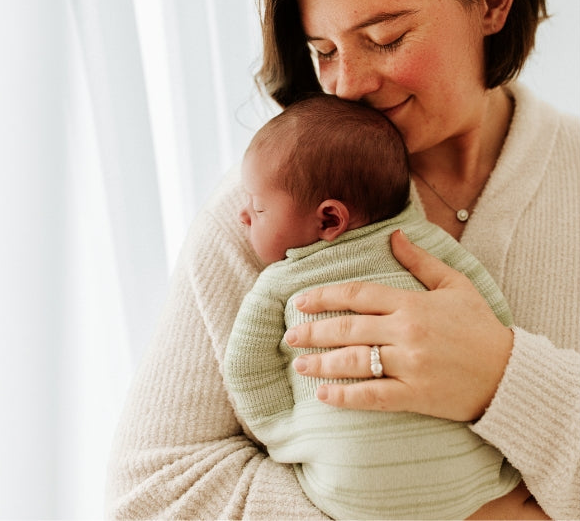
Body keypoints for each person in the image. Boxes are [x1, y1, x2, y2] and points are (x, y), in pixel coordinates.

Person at [106, 0, 580, 519]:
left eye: (385, 38)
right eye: (321, 51)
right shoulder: (268, 213)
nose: (346, 86)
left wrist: (504, 377)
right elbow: (149, 496)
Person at [224, 94, 524, 520]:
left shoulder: (281, 280)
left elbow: (247, 367)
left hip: (342, 492)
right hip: (474, 486)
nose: (242, 215)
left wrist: (284, 428)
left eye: (256, 208)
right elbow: (491, 317)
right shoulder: (429, 244)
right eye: (323, 49)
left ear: (329, 220)